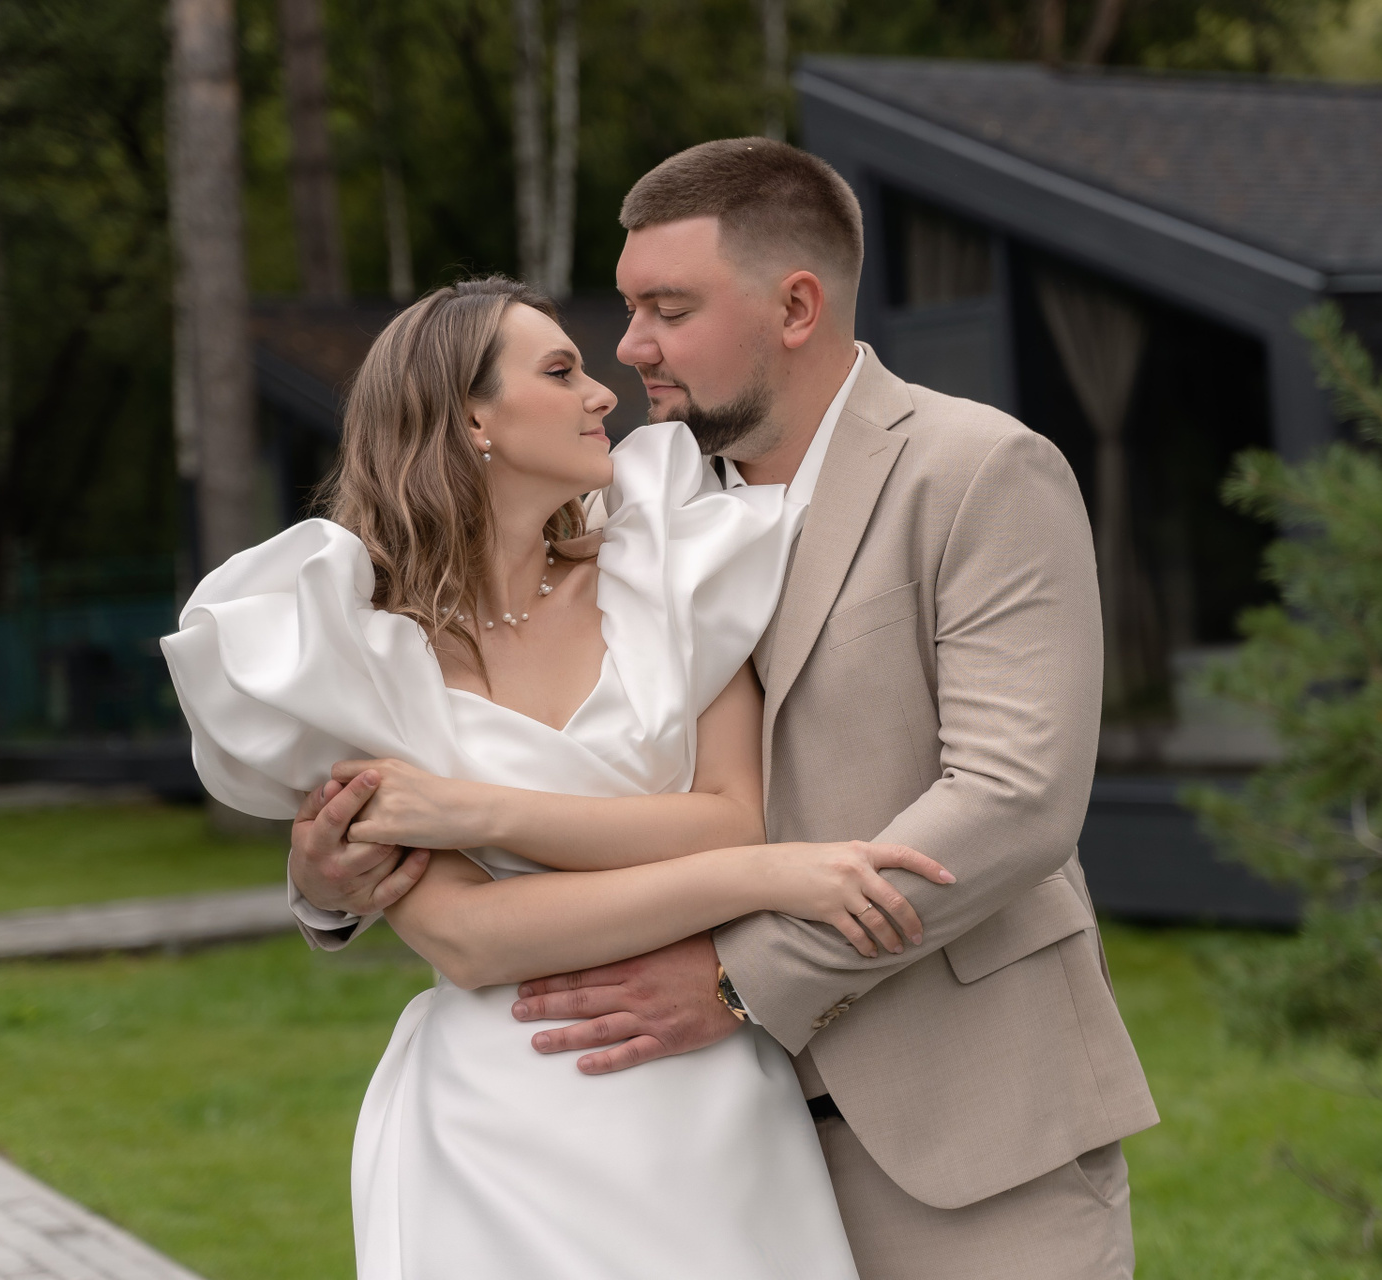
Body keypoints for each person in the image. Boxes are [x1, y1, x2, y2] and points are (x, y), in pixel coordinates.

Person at [292, 139, 1159, 1279]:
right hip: (671, 1152)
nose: (630, 347)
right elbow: (494, 731)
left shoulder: (978, 470)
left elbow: (1013, 799)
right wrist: (331, 886)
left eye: (669, 309)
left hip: (966, 1128)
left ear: (795, 306)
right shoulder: (622, 507)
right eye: (630, 309)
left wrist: (739, 979)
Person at [162, 276, 961, 1279]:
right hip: (502, 1120)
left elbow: (732, 818)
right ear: (472, 420)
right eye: (560, 371)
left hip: (709, 1104)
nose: (603, 393)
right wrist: (768, 878)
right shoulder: (353, 652)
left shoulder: (668, 572)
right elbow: (471, 936)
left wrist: (474, 812)